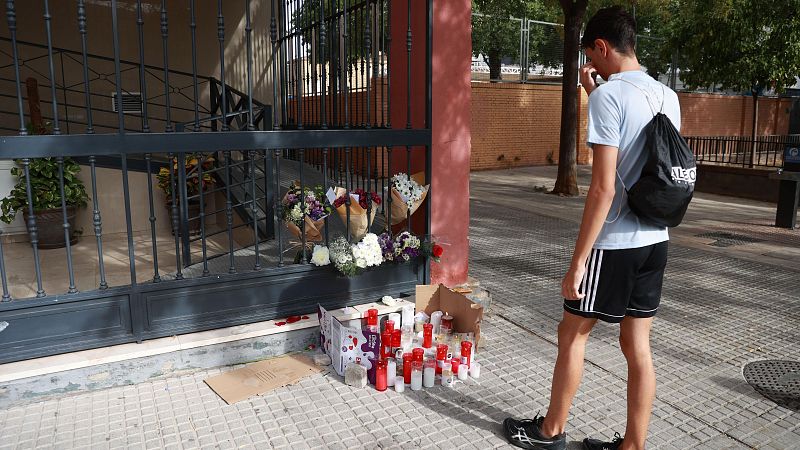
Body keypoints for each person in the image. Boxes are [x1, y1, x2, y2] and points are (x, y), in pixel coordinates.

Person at [503, 6, 681, 450]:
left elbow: (602, 188)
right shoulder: (667, 94)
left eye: (590, 53)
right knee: (637, 344)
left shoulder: (609, 97)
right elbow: (649, 156)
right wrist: (592, 91)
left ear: (601, 47)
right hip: (656, 239)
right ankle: (634, 445)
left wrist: (578, 262)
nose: (590, 62)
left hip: (615, 241)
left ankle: (550, 432)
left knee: (572, 333)